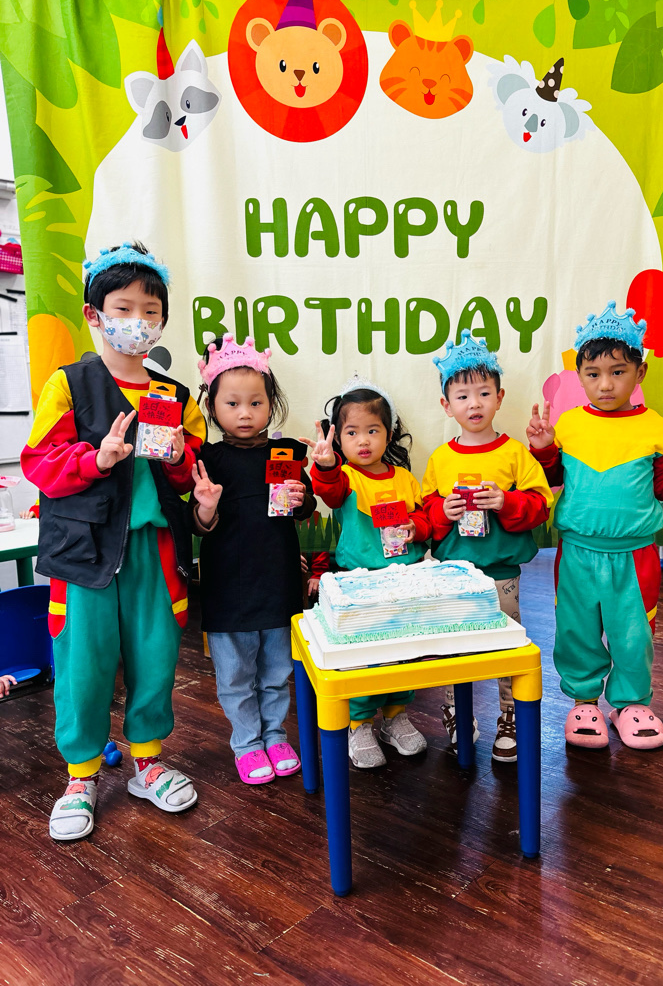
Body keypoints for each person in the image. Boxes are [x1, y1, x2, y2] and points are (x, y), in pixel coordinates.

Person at [21, 241, 206, 841]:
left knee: (156, 655)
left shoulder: (176, 396)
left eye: (150, 311)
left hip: (155, 550)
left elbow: (189, 473)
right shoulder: (68, 385)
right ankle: (81, 776)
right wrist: (95, 459)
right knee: (83, 663)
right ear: (94, 314)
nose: (138, 321)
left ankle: (147, 763)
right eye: (124, 309)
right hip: (85, 554)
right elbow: (39, 462)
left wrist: (179, 460)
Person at [526, 301, 663, 750]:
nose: (605, 384)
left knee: (634, 633)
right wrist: (544, 449)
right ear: (580, 376)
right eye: (593, 373)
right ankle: (584, 702)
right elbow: (554, 476)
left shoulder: (652, 426)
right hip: (577, 553)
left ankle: (630, 704)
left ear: (639, 372)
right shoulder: (570, 424)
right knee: (576, 629)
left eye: (618, 371)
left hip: (636, 555)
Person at [422, 330, 553, 763]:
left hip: (501, 573)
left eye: (483, 393)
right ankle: (456, 711)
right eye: (462, 396)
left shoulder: (514, 453)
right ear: (447, 405)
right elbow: (426, 512)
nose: (473, 404)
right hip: (453, 577)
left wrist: (506, 502)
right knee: (452, 646)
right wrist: (445, 510)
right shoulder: (441, 458)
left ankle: (510, 715)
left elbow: (540, 505)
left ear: (499, 397)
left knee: (505, 644)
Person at [193, 333, 315, 784]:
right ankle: (247, 742)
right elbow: (196, 524)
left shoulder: (286, 454)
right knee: (235, 675)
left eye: (256, 403)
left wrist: (301, 498)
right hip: (227, 588)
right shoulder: (207, 458)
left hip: (277, 583)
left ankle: (276, 735)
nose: (245, 413)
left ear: (271, 404)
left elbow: (303, 509)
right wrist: (206, 506)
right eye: (232, 404)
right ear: (213, 406)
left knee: (277, 671)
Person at [302, 377, 431, 769]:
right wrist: (325, 465)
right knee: (362, 655)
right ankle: (359, 723)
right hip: (358, 584)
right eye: (352, 432)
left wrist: (416, 528)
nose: (363, 441)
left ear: (388, 434)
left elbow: (424, 519)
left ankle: (395, 715)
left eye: (372, 431)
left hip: (405, 582)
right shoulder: (346, 478)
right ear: (338, 438)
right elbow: (329, 491)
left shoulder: (405, 478)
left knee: (403, 653)